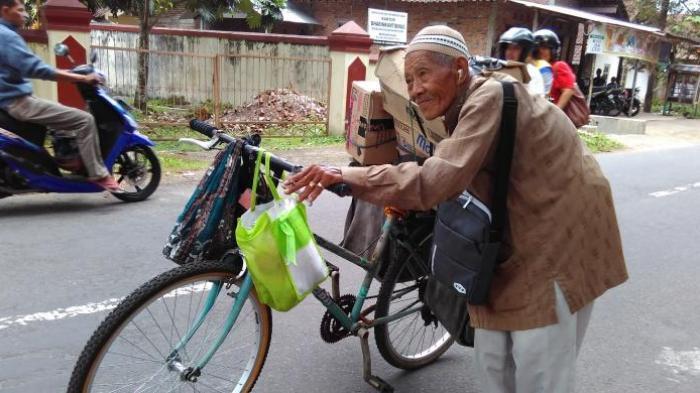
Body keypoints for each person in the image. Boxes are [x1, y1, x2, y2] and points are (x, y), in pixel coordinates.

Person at [284, 25, 628, 393]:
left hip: (560, 236)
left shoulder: (489, 98)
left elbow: (435, 180)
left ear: (460, 69)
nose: (414, 90)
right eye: (409, 79)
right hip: (514, 233)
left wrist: (350, 176)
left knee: (538, 369)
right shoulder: (459, 108)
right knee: (494, 358)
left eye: (423, 75)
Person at [0, 0, 121, 191]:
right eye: (21, 10)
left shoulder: (7, 34)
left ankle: (66, 157)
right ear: (5, 10)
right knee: (84, 120)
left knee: (61, 122)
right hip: (19, 103)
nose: (25, 14)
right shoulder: (7, 37)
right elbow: (37, 69)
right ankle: (99, 174)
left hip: (13, 101)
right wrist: (80, 78)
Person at [534, 29, 577, 110]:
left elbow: (568, 90)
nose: (541, 52)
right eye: (538, 48)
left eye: (545, 48)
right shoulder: (534, 68)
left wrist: (556, 112)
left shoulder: (559, 66)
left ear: (553, 51)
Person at [498, 27, 546, 97]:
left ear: (525, 51)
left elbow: (536, 98)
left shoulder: (531, 72)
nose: (510, 52)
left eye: (516, 48)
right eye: (508, 48)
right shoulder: (498, 67)